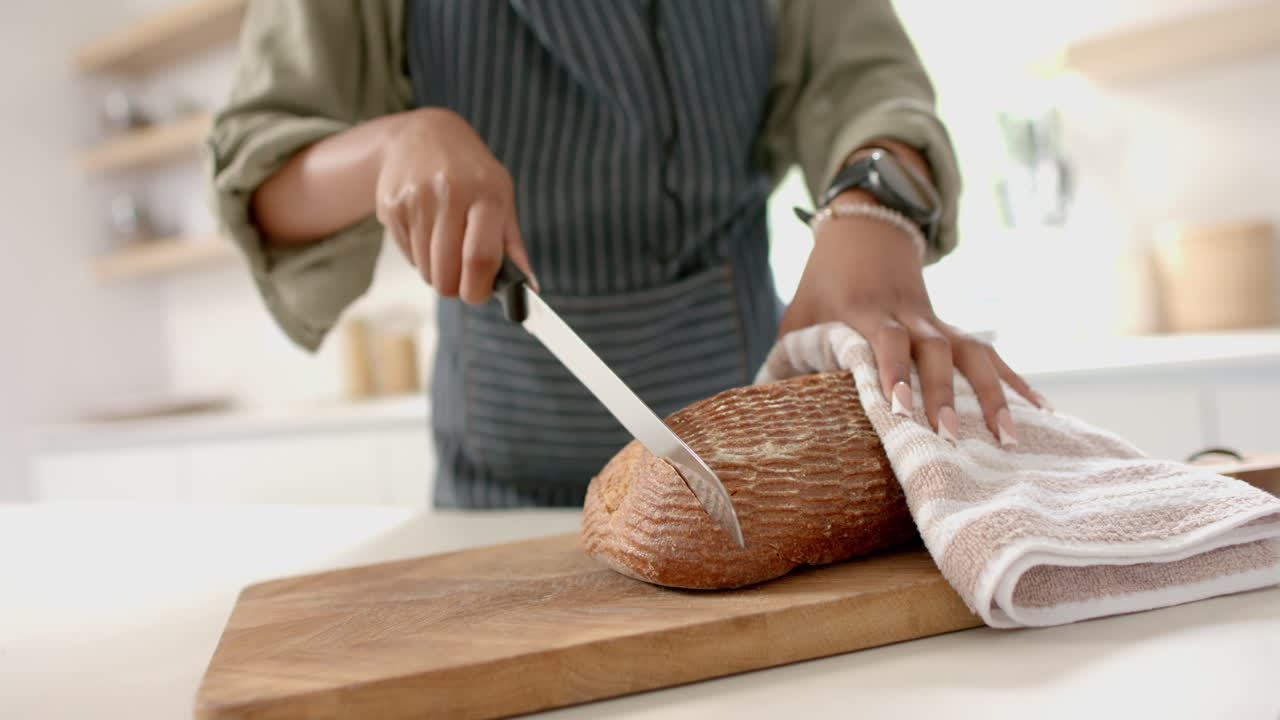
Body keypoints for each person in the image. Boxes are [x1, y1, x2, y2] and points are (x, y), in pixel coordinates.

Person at [209, 0, 1045, 508]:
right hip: (497, 488)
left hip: (761, 471)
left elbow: (871, 83)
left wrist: (873, 208)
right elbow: (260, 170)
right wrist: (394, 146)